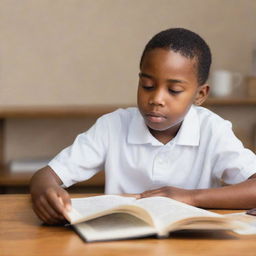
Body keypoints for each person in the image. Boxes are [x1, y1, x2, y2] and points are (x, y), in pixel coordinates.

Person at [30, 28, 256, 224]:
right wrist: (45, 192)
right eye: (147, 85)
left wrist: (191, 197)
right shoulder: (112, 126)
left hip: (192, 244)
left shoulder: (212, 130)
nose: (156, 98)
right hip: (119, 240)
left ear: (200, 95)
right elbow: (46, 176)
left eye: (174, 90)